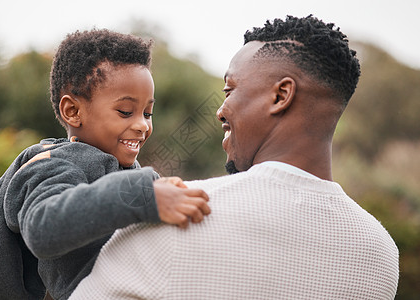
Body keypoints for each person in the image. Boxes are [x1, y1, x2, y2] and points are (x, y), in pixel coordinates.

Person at [69, 15, 399, 299]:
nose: (219, 110)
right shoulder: (381, 254)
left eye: (229, 90)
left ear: (280, 96)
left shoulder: (179, 215)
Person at [0, 29, 210, 300]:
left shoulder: (127, 171)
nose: (142, 125)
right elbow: (43, 229)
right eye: (125, 112)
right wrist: (143, 195)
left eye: (147, 113)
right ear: (72, 111)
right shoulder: (52, 165)